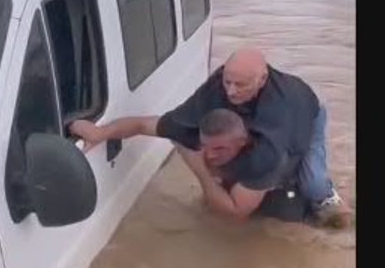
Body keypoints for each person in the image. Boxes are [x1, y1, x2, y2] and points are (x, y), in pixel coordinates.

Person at [69, 48, 351, 227]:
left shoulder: (272, 138)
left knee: (312, 182)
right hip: (258, 127)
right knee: (227, 175)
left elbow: (235, 213)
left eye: (239, 84)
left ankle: (331, 200)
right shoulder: (217, 89)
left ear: (262, 79)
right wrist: (100, 132)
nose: (230, 91)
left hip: (307, 113)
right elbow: (146, 124)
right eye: (227, 80)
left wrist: (199, 167)